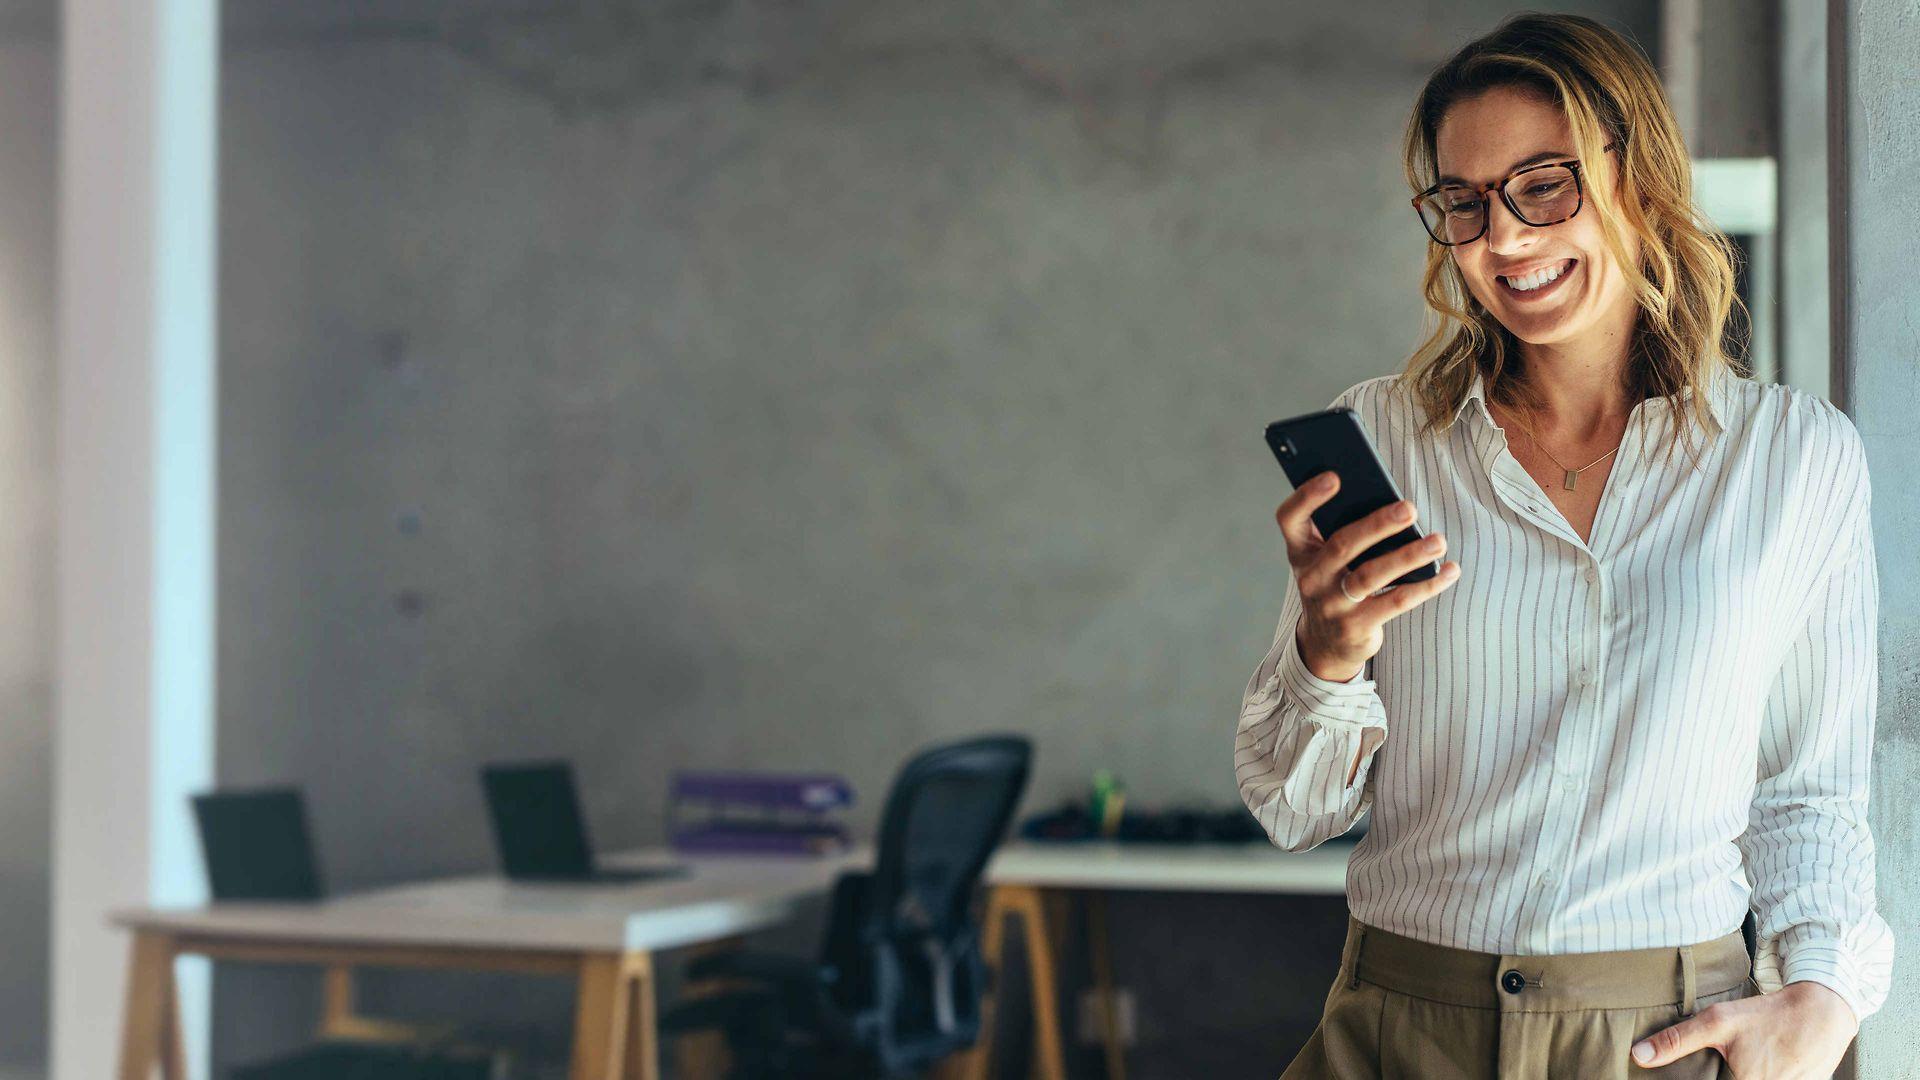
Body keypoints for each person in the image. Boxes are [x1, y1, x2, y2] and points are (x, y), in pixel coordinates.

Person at [1233, 13, 1891, 1078]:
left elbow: (1808, 791)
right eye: (1464, 202)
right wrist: (1327, 652)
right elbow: (1293, 807)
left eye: (1546, 184)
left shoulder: (1793, 458)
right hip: (1400, 1024)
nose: (1502, 239)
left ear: (1641, 178)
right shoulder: (1391, 440)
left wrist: (1820, 1000)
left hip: (1659, 1037)